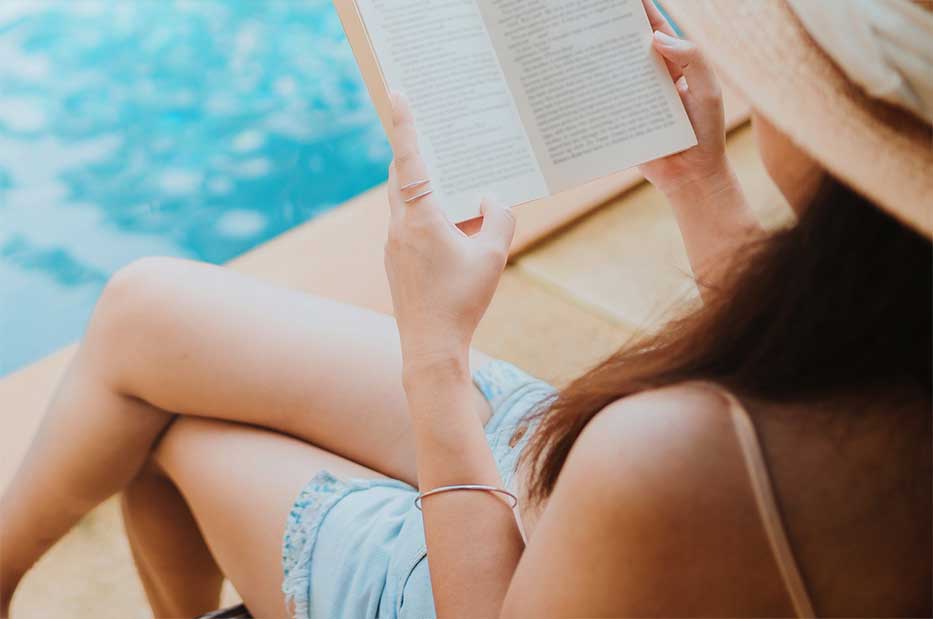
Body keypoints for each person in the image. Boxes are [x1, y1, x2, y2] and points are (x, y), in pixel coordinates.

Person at [2, 0, 930, 617]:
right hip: (588, 501)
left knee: (173, 428)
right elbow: (805, 372)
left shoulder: (684, 450)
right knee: (146, 311)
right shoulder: (888, 340)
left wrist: (434, 347)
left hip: (526, 563)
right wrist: (697, 184)